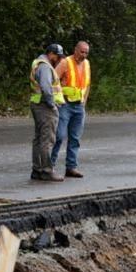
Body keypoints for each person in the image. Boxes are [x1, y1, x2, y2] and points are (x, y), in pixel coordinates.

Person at [52, 41, 91, 178]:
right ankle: (50, 166)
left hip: (79, 106)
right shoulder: (65, 62)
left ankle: (71, 167)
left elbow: (87, 84)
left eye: (86, 52)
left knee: (75, 138)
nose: (84, 55)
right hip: (65, 105)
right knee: (59, 136)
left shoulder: (86, 64)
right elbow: (53, 80)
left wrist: (84, 102)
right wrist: (58, 100)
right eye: (82, 52)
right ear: (75, 50)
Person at [29, 44, 66, 181]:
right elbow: (46, 87)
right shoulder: (45, 66)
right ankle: (46, 170)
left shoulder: (38, 63)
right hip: (45, 107)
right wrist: (52, 105)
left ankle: (37, 170)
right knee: (46, 139)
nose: (59, 59)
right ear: (51, 53)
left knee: (39, 139)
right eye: (57, 56)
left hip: (38, 104)